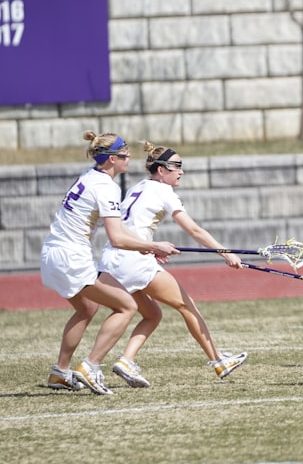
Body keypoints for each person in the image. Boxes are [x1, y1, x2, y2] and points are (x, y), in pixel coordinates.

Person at [40, 132, 179, 395]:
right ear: (113, 159)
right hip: (72, 256)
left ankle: (60, 371)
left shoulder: (88, 175)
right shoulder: (106, 187)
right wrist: (153, 246)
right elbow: (116, 238)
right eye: (125, 155)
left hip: (51, 253)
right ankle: (90, 367)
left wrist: (148, 249)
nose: (129, 159)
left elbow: (119, 234)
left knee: (86, 308)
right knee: (126, 306)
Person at [100, 142, 249, 386]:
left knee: (152, 314)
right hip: (134, 260)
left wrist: (149, 247)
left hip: (114, 258)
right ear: (161, 170)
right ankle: (218, 361)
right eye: (176, 166)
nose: (181, 171)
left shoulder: (138, 187)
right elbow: (194, 229)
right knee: (187, 306)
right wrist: (226, 253)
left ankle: (126, 361)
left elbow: (128, 227)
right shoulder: (164, 192)